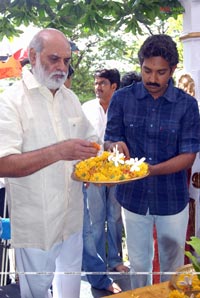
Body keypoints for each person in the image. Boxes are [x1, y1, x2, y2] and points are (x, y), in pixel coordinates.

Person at [0, 28, 100, 298]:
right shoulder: (11, 101)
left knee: (70, 287)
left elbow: (91, 142)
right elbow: (4, 163)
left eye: (66, 61)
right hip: (37, 221)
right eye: (54, 59)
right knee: (36, 292)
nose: (62, 67)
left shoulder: (70, 98)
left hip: (72, 216)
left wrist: (106, 150)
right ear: (33, 56)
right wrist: (59, 151)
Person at [104, 34, 200, 289]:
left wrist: (149, 170)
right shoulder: (122, 99)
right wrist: (113, 146)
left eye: (160, 72)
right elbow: (109, 139)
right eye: (147, 70)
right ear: (140, 65)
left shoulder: (187, 105)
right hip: (132, 198)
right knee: (138, 265)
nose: (152, 79)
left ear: (173, 70)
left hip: (172, 200)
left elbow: (189, 155)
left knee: (172, 267)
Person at [82, 69, 129, 292]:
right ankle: (98, 266)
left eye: (102, 83)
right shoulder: (86, 108)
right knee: (96, 220)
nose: (98, 87)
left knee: (115, 216)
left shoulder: (122, 108)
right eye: (96, 83)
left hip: (117, 172)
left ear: (114, 86)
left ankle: (115, 261)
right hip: (93, 173)